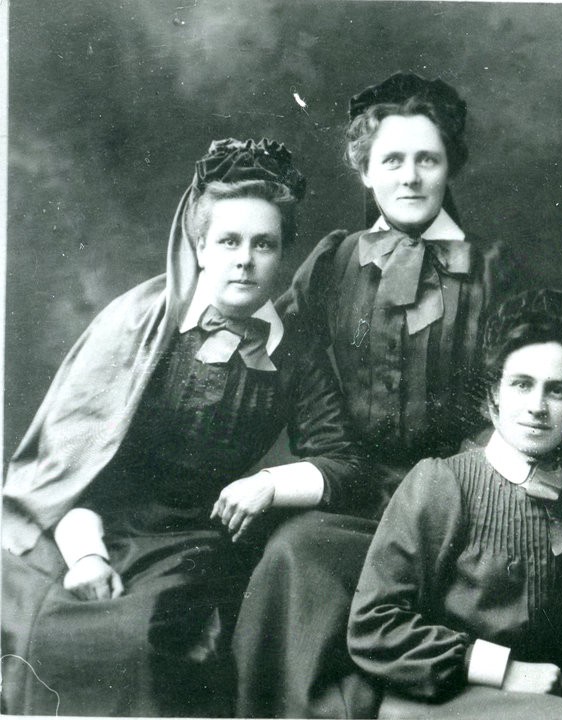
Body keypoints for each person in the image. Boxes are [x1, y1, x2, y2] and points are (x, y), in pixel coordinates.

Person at [0, 138, 366, 716]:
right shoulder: (143, 325)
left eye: (263, 245)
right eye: (228, 241)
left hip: (196, 539)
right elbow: (70, 465)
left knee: (146, 638)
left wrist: (270, 484)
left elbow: (344, 463)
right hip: (88, 522)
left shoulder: (293, 347)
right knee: (40, 629)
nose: (245, 259)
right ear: (200, 246)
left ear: (283, 253)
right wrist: (87, 553)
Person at [232, 72, 513, 717]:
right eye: (392, 159)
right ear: (365, 170)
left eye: (427, 159)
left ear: (449, 168)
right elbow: (273, 353)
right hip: (359, 497)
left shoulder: (494, 269)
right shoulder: (336, 262)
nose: (410, 177)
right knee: (293, 556)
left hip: (458, 507)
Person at [347, 288, 562, 720]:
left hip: (549, 704)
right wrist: (505, 670)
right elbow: (374, 624)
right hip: (442, 698)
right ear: (494, 395)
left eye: (558, 391)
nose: (537, 407)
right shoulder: (444, 481)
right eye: (522, 385)